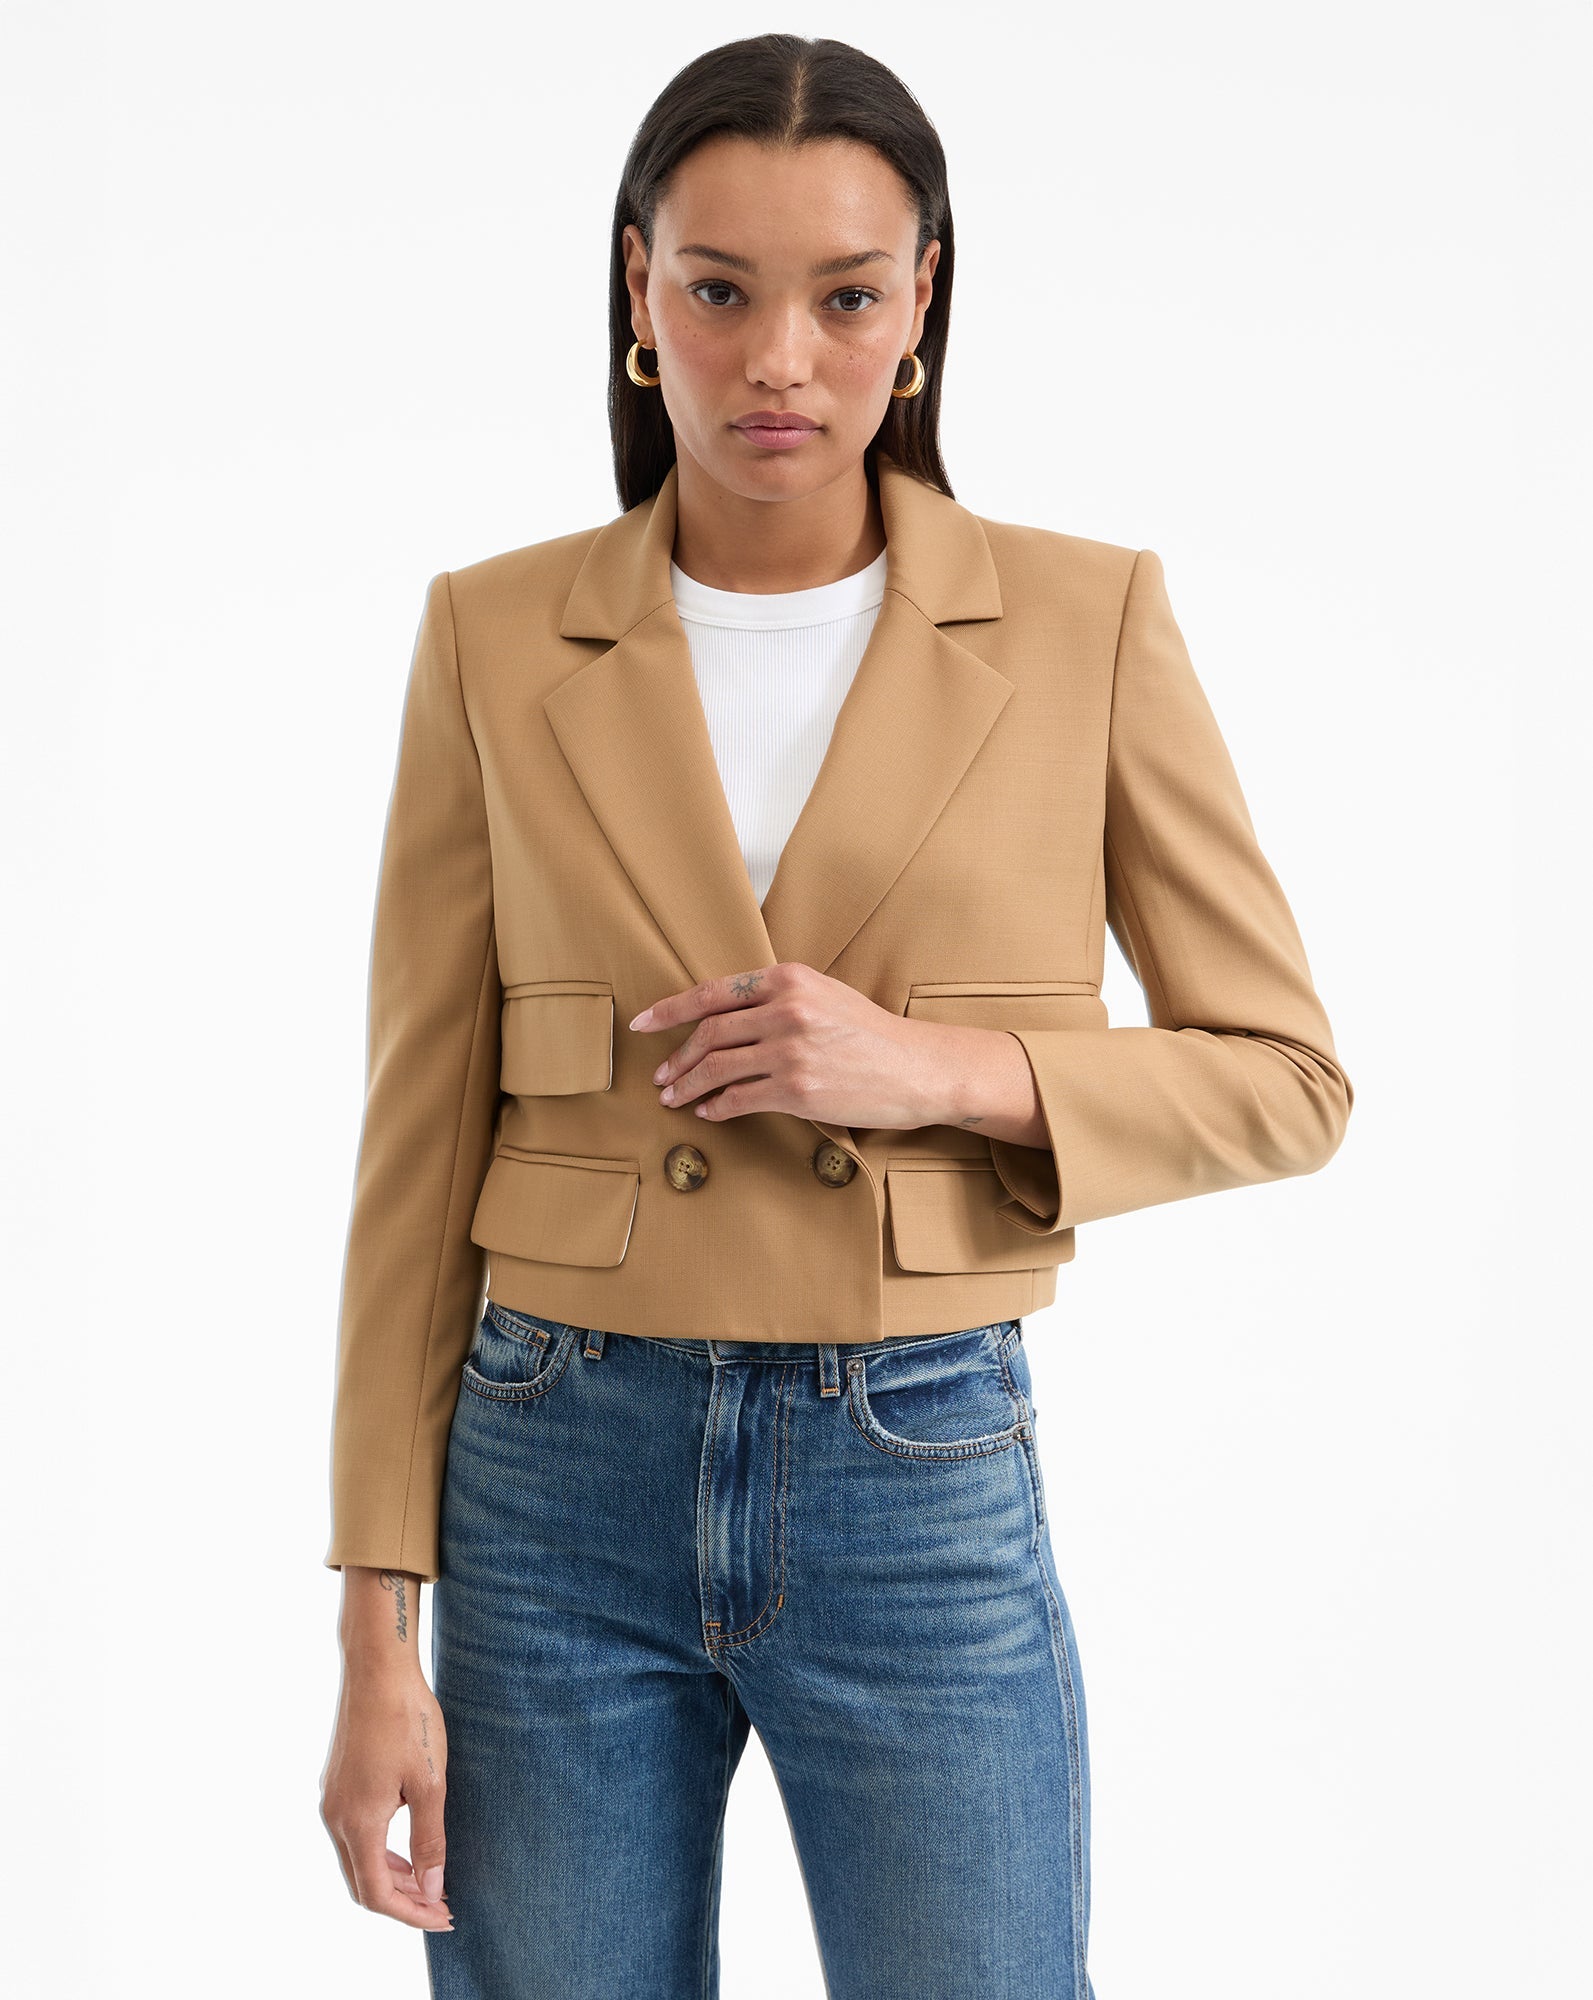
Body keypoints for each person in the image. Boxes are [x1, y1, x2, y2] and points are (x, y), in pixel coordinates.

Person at [318, 33, 1354, 2000]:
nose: (777, 360)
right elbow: (415, 1151)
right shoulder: (492, 632)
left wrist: (936, 1071)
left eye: (846, 298)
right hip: (548, 1474)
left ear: (922, 304)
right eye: (718, 291)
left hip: (914, 1461)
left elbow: (1286, 1079)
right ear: (638, 293)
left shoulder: (1082, 622)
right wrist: (375, 1638)